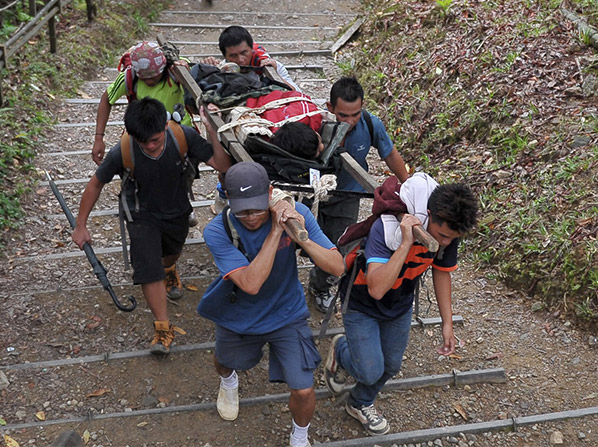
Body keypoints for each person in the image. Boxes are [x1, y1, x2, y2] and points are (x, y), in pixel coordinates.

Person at [198, 162, 344, 447]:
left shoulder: (296, 214)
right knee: (224, 360)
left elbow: (336, 266)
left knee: (303, 389)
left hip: (286, 312)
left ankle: (300, 436)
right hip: (239, 311)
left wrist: (299, 234)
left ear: (270, 194)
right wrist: (276, 233)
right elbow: (251, 284)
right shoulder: (217, 231)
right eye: (242, 210)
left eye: (256, 208)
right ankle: (229, 382)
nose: (250, 217)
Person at [72, 98, 231, 355]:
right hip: (140, 214)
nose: (150, 145)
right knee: (149, 268)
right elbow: (95, 184)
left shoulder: (183, 136)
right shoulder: (123, 150)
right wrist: (81, 226)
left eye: (155, 139)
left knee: (171, 252)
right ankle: (162, 328)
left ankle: (169, 268)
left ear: (166, 127)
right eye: (143, 141)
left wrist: (211, 130)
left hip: (176, 211)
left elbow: (222, 166)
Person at [323, 180, 478, 436]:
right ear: (429, 215)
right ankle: (341, 350)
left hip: (400, 303)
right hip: (363, 303)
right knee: (369, 370)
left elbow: (442, 273)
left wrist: (447, 323)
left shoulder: (448, 234)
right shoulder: (386, 230)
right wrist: (406, 243)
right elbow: (376, 288)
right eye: (443, 237)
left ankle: (359, 402)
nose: (446, 243)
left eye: (453, 239)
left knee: (391, 365)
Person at [308, 77, 410, 313]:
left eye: (355, 114)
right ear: (330, 107)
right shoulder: (316, 124)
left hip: (347, 194)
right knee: (302, 239)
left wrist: (407, 184)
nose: (350, 121)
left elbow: (390, 154)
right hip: (312, 193)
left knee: (338, 245)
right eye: (343, 115)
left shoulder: (370, 124)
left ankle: (320, 285)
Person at [92, 41, 192, 166]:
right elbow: (106, 100)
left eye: (154, 77)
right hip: (145, 135)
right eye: (144, 79)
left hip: (179, 132)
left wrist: (185, 70)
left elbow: (196, 83)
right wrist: (98, 138)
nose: (149, 81)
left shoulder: (176, 69)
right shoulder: (129, 76)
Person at [201, 25, 300, 92]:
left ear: (252, 49)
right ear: (225, 56)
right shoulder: (221, 71)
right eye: (233, 56)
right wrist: (207, 71)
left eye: (244, 53)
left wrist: (275, 76)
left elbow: (298, 94)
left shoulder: (269, 65)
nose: (240, 60)